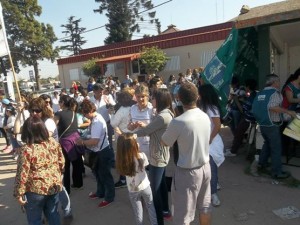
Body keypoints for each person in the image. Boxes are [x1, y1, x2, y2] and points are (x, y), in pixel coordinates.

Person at [161, 82, 212, 225]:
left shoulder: (178, 121)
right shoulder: (204, 116)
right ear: (197, 97)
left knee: (182, 216)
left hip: (187, 172)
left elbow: (165, 142)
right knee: (205, 208)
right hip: (205, 168)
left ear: (178, 98)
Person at [133, 89, 174, 224]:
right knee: (161, 185)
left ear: (160, 100)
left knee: (154, 191)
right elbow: (153, 129)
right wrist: (147, 126)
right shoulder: (163, 114)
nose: (151, 100)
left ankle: (159, 220)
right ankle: (166, 210)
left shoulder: (162, 116)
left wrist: (130, 135)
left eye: (153, 98)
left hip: (157, 157)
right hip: (160, 154)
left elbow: (146, 131)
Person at [13, 116, 65, 225]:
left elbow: (22, 174)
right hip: (54, 185)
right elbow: (61, 162)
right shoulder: (53, 143)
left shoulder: (27, 149)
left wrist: (19, 194)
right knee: (53, 214)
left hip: (35, 190)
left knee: (35, 219)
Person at [252, 74, 297, 179]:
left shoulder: (260, 93)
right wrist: (288, 112)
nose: (279, 83)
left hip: (263, 123)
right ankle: (277, 172)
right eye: (278, 81)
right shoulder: (275, 93)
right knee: (276, 148)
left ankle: (261, 163)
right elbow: (273, 107)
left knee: (267, 144)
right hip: (272, 124)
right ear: (274, 82)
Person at [76, 100, 115, 208]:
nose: (84, 116)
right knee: (98, 174)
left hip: (102, 152)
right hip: (97, 151)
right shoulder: (94, 119)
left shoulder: (97, 121)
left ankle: (109, 197)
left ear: (89, 111)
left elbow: (95, 141)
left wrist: (82, 142)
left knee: (105, 175)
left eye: (84, 113)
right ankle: (100, 192)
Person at [116, 133, 158, 225]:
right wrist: (137, 148)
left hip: (132, 189)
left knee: (138, 212)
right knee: (151, 207)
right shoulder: (141, 156)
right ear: (135, 145)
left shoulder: (121, 160)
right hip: (145, 187)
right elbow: (146, 164)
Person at [198, 84, 224, 207]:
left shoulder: (212, 108)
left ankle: (213, 193)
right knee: (207, 168)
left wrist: (210, 139)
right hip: (203, 142)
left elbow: (217, 126)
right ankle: (214, 184)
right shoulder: (201, 107)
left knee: (211, 167)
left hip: (211, 143)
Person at [55, 95, 83, 194]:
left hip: (65, 142)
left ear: (62, 103)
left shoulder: (59, 114)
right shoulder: (73, 113)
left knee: (65, 166)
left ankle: (67, 188)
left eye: (59, 101)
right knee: (77, 163)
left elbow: (54, 126)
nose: (59, 103)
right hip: (76, 139)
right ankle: (78, 183)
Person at [110, 89, 136, 188]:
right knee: (132, 156)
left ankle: (123, 179)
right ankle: (133, 176)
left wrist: (112, 113)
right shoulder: (134, 107)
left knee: (123, 158)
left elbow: (113, 123)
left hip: (123, 136)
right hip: (133, 135)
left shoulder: (121, 110)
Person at [225, 79, 258, 157]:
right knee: (238, 132)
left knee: (238, 133)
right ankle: (234, 148)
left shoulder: (251, 97)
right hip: (252, 118)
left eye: (246, 86)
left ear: (248, 87)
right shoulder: (254, 94)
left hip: (248, 119)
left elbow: (243, 110)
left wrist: (236, 100)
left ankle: (233, 151)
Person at [128, 84, 153, 158]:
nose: (140, 99)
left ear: (147, 96)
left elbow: (156, 129)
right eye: (138, 96)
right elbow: (129, 127)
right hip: (136, 145)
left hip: (149, 146)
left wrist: (144, 126)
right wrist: (132, 126)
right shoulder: (132, 108)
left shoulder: (152, 109)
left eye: (143, 96)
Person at [90, 83, 116, 149]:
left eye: (102, 91)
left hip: (107, 123)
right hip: (95, 125)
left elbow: (114, 108)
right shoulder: (90, 100)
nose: (101, 93)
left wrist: (109, 104)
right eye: (99, 91)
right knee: (98, 143)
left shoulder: (107, 97)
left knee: (109, 142)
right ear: (94, 91)